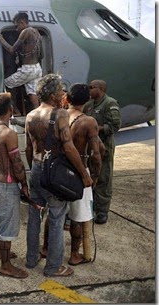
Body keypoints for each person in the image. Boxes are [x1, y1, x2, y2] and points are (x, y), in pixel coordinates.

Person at [24, 74, 92, 277]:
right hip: (53, 173)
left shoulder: (31, 115)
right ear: (54, 95)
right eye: (61, 90)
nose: (63, 93)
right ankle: (53, 266)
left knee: (34, 216)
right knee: (56, 219)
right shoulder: (60, 114)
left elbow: (29, 148)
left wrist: (35, 171)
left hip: (36, 168)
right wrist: (83, 173)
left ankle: (31, 258)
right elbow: (69, 147)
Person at [0, 92, 29, 279]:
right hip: (8, 183)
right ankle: (5, 265)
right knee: (7, 227)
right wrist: (24, 185)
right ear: (10, 110)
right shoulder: (8, 133)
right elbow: (17, 164)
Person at [65, 83, 104, 265]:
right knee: (78, 217)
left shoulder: (60, 116)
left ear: (68, 98)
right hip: (79, 169)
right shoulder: (88, 121)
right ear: (87, 100)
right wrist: (94, 177)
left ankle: (46, 248)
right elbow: (96, 154)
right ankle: (74, 254)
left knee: (56, 213)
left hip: (60, 169)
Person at [83, 80, 121, 224]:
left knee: (104, 178)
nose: (89, 90)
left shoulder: (110, 104)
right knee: (90, 175)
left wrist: (96, 129)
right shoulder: (88, 105)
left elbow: (115, 125)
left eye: (91, 87)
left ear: (100, 89)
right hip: (90, 147)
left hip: (104, 145)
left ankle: (102, 211)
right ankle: (91, 207)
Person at [0, 12, 42, 109]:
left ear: (22, 22)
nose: (16, 29)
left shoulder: (25, 31)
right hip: (37, 68)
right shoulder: (37, 32)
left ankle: (14, 110)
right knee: (33, 95)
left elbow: (11, 49)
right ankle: (37, 113)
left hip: (28, 69)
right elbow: (42, 54)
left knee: (6, 83)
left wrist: (0, 38)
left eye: (17, 25)